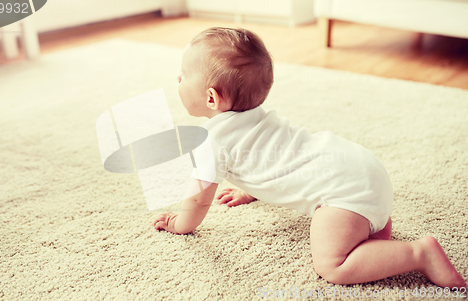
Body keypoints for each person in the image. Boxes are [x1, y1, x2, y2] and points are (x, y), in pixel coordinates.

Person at [153, 27, 466, 288]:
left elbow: (197, 201)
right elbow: (270, 155)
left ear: (211, 97)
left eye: (183, 75)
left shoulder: (213, 143)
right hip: (361, 168)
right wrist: (249, 189)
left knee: (332, 265)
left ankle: (418, 253)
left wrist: (180, 224)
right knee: (345, 211)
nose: (178, 79)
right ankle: (373, 228)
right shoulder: (256, 117)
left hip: (346, 193)